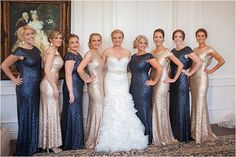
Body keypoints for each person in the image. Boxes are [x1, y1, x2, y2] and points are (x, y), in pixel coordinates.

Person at [96, 29, 148, 152]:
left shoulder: (128, 52)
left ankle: (128, 137)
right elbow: (99, 67)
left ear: (122, 38)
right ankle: (110, 138)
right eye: (115, 38)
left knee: (124, 105)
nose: (117, 40)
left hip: (123, 81)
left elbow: (131, 69)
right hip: (110, 81)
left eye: (119, 37)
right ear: (112, 38)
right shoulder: (107, 51)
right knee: (112, 106)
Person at [1, 26, 41, 156]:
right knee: (25, 115)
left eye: (32, 34)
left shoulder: (36, 50)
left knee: (34, 114)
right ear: (22, 37)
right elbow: (4, 66)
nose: (31, 36)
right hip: (25, 88)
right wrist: (14, 79)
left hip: (35, 87)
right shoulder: (19, 51)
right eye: (27, 34)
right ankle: (25, 147)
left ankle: (33, 144)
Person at [190, 28, 225, 143]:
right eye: (198, 36)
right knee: (195, 104)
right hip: (193, 79)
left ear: (205, 37)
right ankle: (196, 132)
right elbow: (192, 66)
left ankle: (202, 134)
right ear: (196, 37)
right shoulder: (194, 50)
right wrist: (189, 78)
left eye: (202, 36)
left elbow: (221, 60)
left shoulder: (209, 49)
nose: (200, 38)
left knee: (200, 103)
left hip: (203, 79)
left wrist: (210, 70)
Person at [150, 29, 183, 145]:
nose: (158, 39)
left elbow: (180, 65)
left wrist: (173, 79)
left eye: (160, 37)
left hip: (162, 82)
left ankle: (162, 135)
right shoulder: (152, 52)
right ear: (153, 38)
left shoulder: (167, 52)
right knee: (154, 105)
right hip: (153, 81)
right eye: (156, 37)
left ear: (163, 39)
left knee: (160, 106)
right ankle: (155, 133)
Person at [169, 29, 202, 142]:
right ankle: (174, 133)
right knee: (174, 106)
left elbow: (198, 62)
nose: (177, 39)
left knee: (181, 105)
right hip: (173, 82)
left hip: (182, 81)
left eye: (180, 36)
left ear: (183, 38)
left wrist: (189, 73)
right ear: (173, 38)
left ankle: (182, 134)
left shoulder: (187, 49)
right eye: (175, 36)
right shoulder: (172, 51)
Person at [129, 35, 162, 144]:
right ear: (136, 44)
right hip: (133, 86)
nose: (142, 45)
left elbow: (159, 68)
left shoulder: (148, 56)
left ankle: (147, 137)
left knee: (143, 110)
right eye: (140, 42)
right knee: (135, 110)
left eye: (144, 43)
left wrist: (154, 81)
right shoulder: (133, 57)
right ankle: (137, 136)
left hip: (144, 87)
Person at [38, 30, 63, 153]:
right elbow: (47, 70)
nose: (59, 40)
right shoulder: (51, 51)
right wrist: (54, 87)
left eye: (60, 38)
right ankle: (52, 144)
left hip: (50, 84)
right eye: (56, 38)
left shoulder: (54, 51)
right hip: (49, 85)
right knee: (52, 112)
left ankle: (49, 142)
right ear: (50, 40)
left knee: (51, 112)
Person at [77, 33, 104, 149]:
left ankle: (98, 137)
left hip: (100, 85)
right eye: (94, 41)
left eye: (98, 40)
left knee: (99, 110)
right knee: (97, 110)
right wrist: (87, 79)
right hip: (94, 86)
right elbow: (79, 69)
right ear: (90, 42)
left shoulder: (98, 53)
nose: (96, 42)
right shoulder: (89, 53)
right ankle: (94, 140)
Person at [60, 34, 85, 150]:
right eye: (72, 42)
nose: (75, 44)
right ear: (68, 45)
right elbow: (68, 74)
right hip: (72, 87)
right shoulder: (70, 56)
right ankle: (71, 143)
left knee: (76, 112)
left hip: (78, 86)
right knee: (72, 112)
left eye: (77, 42)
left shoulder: (77, 55)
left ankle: (77, 141)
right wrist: (70, 92)